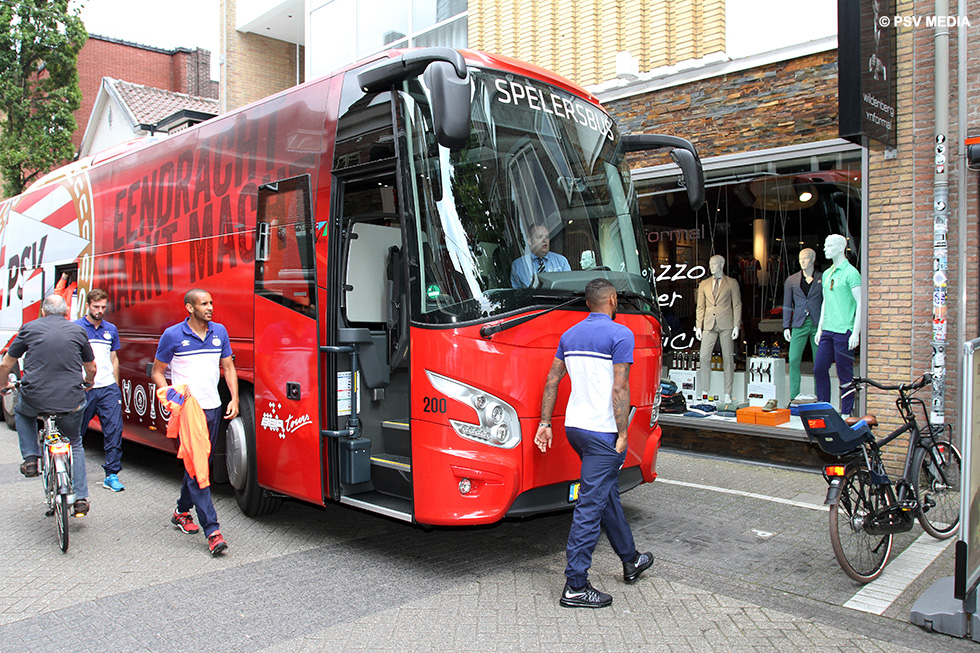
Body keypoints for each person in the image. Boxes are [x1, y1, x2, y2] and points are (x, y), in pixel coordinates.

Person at [534, 278, 654, 609]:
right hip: (602, 432)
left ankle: (631, 559)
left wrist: (545, 423)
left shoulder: (570, 335)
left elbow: (552, 380)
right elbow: (620, 388)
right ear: (613, 300)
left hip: (576, 429)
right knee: (590, 506)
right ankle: (575, 586)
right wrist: (623, 433)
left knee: (605, 493)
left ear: (588, 303)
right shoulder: (621, 334)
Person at [150, 289, 239, 556]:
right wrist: (171, 398)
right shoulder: (172, 335)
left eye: (211, 303)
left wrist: (234, 398)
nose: (210, 307)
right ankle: (213, 531)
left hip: (213, 408)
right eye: (203, 304)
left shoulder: (219, 332)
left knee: (198, 465)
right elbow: (157, 372)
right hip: (189, 412)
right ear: (190, 308)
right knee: (199, 466)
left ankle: (181, 511)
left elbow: (228, 368)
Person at [0, 295, 96, 516]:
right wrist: (88, 382)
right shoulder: (78, 331)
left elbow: (6, 364)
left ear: (43, 312)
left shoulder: (29, 328)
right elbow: (91, 368)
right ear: (66, 312)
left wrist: (3, 385)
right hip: (71, 400)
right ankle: (80, 498)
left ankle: (31, 459)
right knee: (74, 442)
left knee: (21, 412)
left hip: (35, 398)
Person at [75, 289, 126, 492]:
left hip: (107, 388)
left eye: (103, 307)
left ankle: (111, 474)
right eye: (96, 307)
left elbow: (114, 358)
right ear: (88, 305)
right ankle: (71, 472)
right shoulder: (76, 328)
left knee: (114, 430)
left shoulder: (110, 329)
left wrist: (115, 385)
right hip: (84, 387)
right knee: (76, 432)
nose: (100, 310)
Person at [814, 234, 862, 416]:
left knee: (844, 372)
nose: (825, 249)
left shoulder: (851, 273)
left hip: (844, 330)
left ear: (841, 248)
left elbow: (860, 302)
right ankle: (823, 407)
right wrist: (820, 328)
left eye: (829, 245)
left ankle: (846, 412)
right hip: (828, 329)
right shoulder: (827, 274)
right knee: (819, 368)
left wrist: (855, 332)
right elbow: (825, 302)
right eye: (825, 245)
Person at [695, 255, 742, 402]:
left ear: (721, 265)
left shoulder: (732, 283)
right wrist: (698, 326)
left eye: (714, 264)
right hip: (709, 323)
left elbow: (737, 305)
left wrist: (736, 325)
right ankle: (705, 389)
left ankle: (728, 392)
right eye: (710, 264)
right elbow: (700, 307)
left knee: (728, 357)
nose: (711, 267)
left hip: (726, 323)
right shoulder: (704, 284)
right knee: (704, 356)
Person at [782, 248, 823, 402]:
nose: (802, 261)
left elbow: (826, 301)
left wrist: (825, 324)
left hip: (817, 324)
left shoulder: (822, 278)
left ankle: (820, 396)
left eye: (805, 258)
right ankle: (794, 395)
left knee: (819, 361)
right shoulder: (791, 280)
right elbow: (787, 305)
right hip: (799, 323)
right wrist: (786, 326)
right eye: (800, 259)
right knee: (793, 358)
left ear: (813, 259)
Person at [510, 223, 571, 288]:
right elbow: (516, 291)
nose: (545, 240)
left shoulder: (561, 261)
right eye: (539, 237)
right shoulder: (518, 265)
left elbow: (568, 286)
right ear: (529, 241)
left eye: (547, 237)